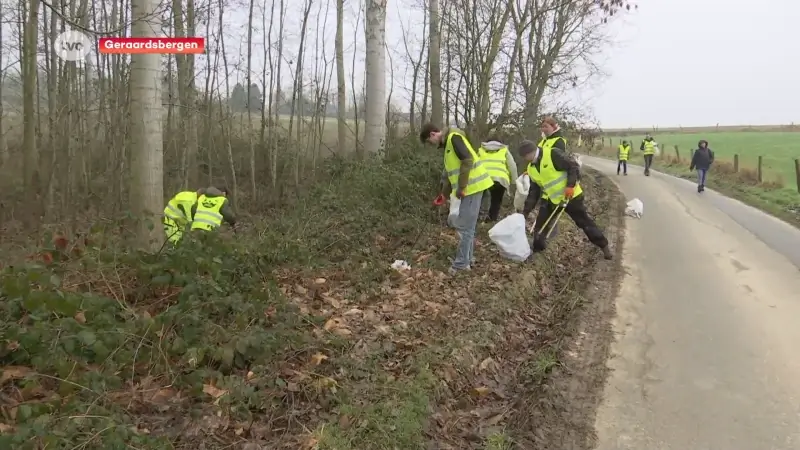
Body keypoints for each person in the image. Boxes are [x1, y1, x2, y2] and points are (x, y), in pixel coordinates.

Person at [519, 117, 613, 260]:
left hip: (570, 196)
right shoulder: (531, 168)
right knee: (540, 227)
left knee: (584, 222)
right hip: (550, 199)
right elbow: (534, 191)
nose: (526, 160)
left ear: (531, 152)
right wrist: (525, 211)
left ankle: (603, 246)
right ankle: (537, 254)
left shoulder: (552, 154)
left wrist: (570, 186)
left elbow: (573, 166)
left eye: (526, 156)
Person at [420, 123, 494, 274]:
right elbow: (450, 175)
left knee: (465, 227)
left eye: (429, 142)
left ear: (433, 134)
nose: (431, 145)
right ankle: (468, 260)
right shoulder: (448, 145)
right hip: (471, 188)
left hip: (474, 187)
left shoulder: (454, 138)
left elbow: (467, 160)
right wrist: (443, 196)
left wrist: (461, 187)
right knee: (469, 227)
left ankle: (461, 264)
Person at [478, 135, 519, 222]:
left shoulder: (481, 150)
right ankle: (492, 220)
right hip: (500, 180)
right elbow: (512, 166)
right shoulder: (504, 150)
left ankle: (481, 219)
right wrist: (514, 181)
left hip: (484, 178)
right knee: (496, 201)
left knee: (481, 200)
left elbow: (474, 164)